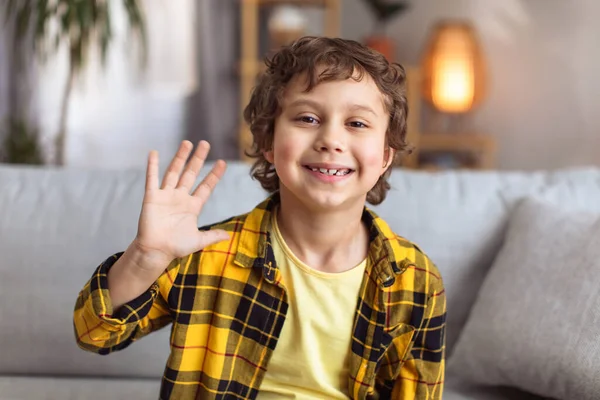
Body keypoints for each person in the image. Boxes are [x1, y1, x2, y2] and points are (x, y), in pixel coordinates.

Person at [73, 36, 446, 400]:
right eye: (308, 117)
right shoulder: (207, 256)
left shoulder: (416, 280)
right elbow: (95, 333)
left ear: (385, 156)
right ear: (269, 141)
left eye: (357, 124)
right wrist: (145, 257)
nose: (331, 139)